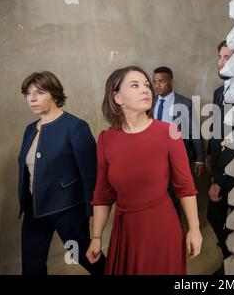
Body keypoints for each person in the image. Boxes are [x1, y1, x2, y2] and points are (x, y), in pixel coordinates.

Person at [86, 66, 202, 275]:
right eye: (135, 85)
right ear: (117, 97)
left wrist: (194, 230)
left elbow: (185, 187)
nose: (146, 89)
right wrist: (96, 237)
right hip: (126, 232)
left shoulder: (169, 132)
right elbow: (102, 195)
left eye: (147, 85)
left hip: (162, 228)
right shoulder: (105, 139)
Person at [17, 71, 106, 275]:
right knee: (31, 267)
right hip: (34, 210)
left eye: (39, 92)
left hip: (67, 209)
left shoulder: (75, 127)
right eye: (28, 93)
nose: (32, 98)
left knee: (89, 259)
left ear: (55, 94)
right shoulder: (30, 129)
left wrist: (93, 212)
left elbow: (90, 174)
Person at [206, 41, 234, 275]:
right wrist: (209, 153)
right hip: (218, 164)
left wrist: (219, 178)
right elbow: (218, 127)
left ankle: (233, 260)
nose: (220, 62)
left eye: (226, 57)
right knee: (215, 214)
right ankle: (229, 256)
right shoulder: (219, 91)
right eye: (220, 56)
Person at [152, 66, 204, 217]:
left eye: (161, 81)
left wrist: (200, 158)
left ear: (171, 81)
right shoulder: (150, 102)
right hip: (154, 157)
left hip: (176, 157)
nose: (157, 85)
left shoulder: (184, 103)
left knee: (174, 196)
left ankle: (174, 229)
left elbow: (194, 131)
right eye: (155, 82)